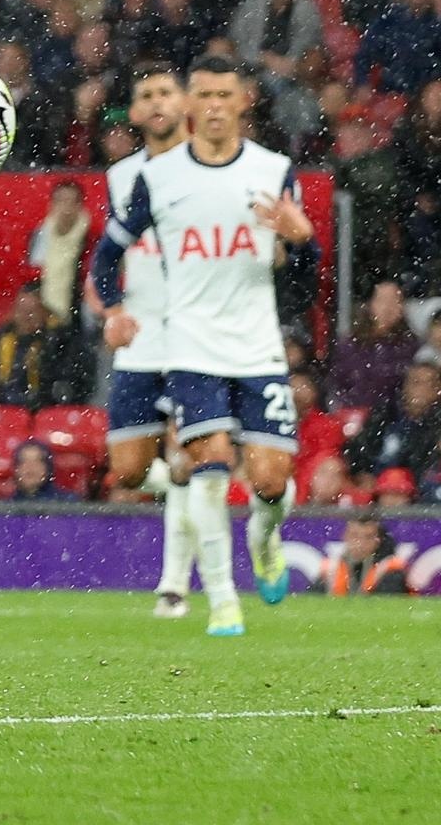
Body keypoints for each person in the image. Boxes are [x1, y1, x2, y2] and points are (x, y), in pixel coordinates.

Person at [96, 56, 320, 637]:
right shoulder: (159, 180)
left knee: (270, 482)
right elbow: (107, 252)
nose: (216, 106)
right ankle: (222, 602)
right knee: (211, 468)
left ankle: (265, 541)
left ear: (244, 100)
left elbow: (301, 283)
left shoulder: (273, 171)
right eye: (206, 96)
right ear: (190, 106)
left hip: (257, 347)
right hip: (189, 348)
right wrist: (114, 309)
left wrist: (305, 244)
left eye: (226, 94)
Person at [99, 60, 200, 619]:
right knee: (129, 472)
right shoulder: (121, 177)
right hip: (140, 329)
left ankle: (174, 584)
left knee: (185, 457)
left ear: (183, 103)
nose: (157, 102)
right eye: (147, 95)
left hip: (194, 328)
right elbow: (110, 255)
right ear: (135, 113)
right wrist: (108, 308)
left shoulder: (208, 168)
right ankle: (200, 489)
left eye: (167, 91)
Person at [308, 512, 411, 596]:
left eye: (368, 537)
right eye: (354, 536)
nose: (360, 543)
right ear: (345, 536)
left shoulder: (390, 569)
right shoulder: (332, 568)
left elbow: (387, 605)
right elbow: (312, 600)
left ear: (377, 541)